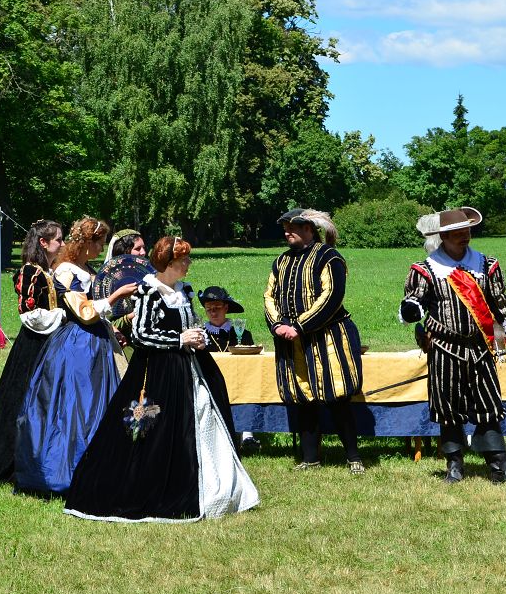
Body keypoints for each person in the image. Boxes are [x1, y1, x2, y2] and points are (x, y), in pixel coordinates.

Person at [65, 236, 259, 522]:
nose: (189, 263)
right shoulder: (149, 291)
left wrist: (199, 336)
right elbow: (141, 334)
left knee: (201, 417)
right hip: (157, 371)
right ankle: (152, 484)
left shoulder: (184, 290)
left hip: (190, 368)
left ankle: (213, 489)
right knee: (149, 428)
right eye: (184, 259)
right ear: (169, 263)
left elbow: (191, 323)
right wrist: (179, 340)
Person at [399, 207, 506, 484]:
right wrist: (411, 309)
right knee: (448, 410)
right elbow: (415, 301)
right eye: (458, 232)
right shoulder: (426, 270)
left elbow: (501, 301)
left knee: (489, 405)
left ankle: (500, 467)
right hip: (444, 348)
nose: (465, 236)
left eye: (467, 231)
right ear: (444, 237)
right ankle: (454, 467)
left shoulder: (486, 265)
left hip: (480, 348)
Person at [13, 217, 136, 496]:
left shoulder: (88, 269)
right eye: (99, 242)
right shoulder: (66, 271)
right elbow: (84, 312)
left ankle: (105, 466)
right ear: (86, 242)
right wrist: (116, 296)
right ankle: (70, 469)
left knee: (104, 401)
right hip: (78, 345)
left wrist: (113, 328)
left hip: (98, 342)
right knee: (78, 405)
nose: (102, 248)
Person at [264, 208, 365, 474]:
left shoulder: (329, 257)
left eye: (292, 228)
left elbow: (332, 296)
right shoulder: (281, 261)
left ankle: (353, 457)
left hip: (327, 337)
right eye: (285, 228)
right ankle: (311, 459)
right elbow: (269, 296)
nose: (287, 233)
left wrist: (300, 326)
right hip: (290, 340)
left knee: (337, 397)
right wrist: (277, 325)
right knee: (302, 399)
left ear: (308, 229)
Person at [0, 220, 66, 486]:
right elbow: (29, 314)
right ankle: (5, 464)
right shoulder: (30, 271)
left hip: (49, 342)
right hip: (33, 345)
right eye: (58, 239)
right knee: (21, 401)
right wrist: (63, 315)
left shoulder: (47, 271)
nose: (62, 244)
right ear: (44, 243)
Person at [199, 285, 258, 451]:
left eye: (217, 308)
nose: (213, 312)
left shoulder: (243, 334)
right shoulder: (200, 334)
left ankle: (247, 435)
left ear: (226, 308)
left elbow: (250, 364)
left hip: (240, 381)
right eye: (209, 309)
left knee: (248, 388)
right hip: (209, 380)